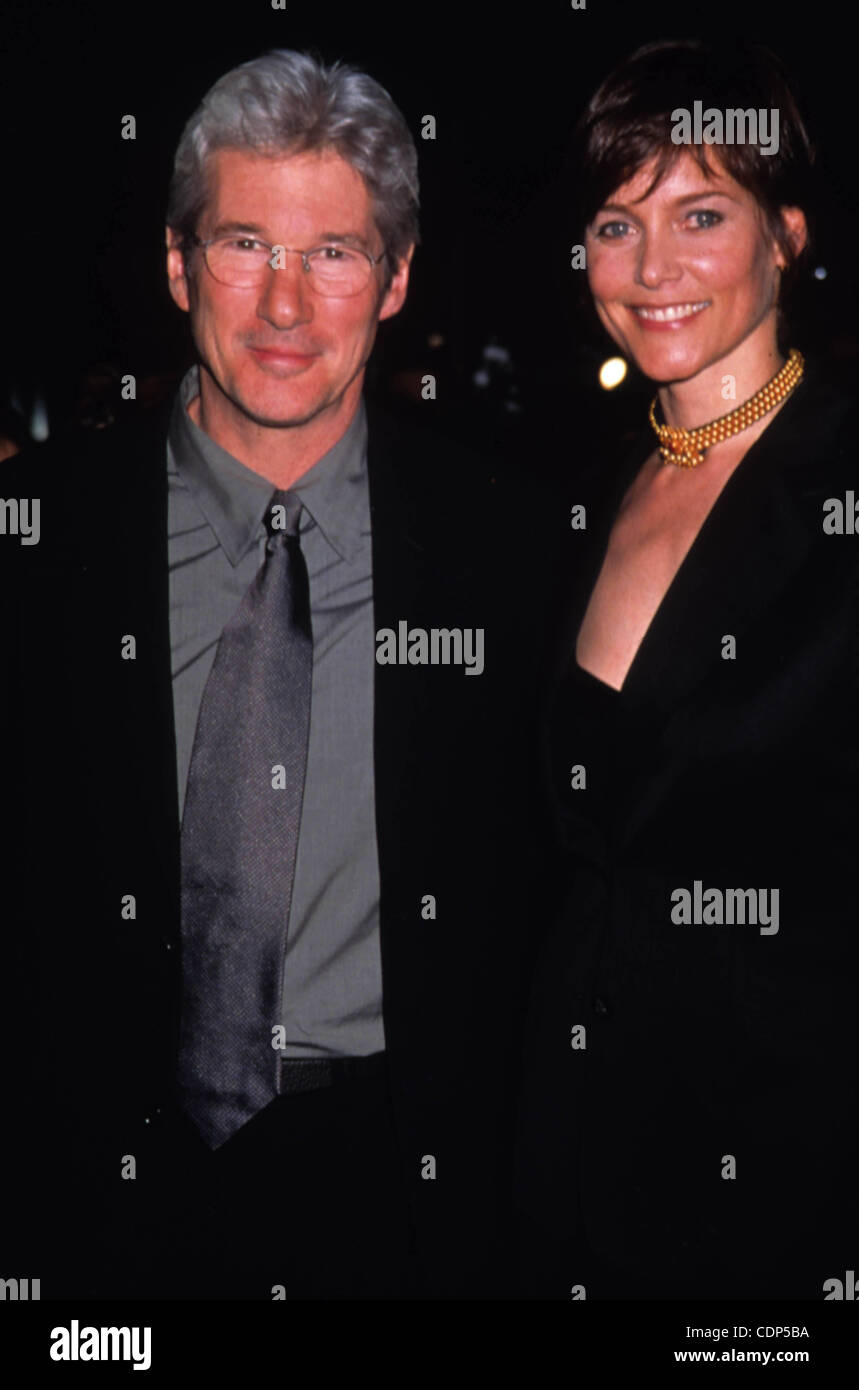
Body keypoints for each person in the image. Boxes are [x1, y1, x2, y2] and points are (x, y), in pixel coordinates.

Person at [1, 48, 547, 1300]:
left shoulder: (512, 557)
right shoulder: (34, 544)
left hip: (413, 1209)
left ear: (396, 278)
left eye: (334, 254)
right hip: (92, 1204)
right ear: (181, 264)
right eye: (247, 245)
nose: (285, 308)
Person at [515, 39, 859, 1300]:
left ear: (787, 236)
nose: (651, 270)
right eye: (617, 223)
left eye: (700, 215)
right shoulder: (595, 489)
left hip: (792, 1182)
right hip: (579, 1152)